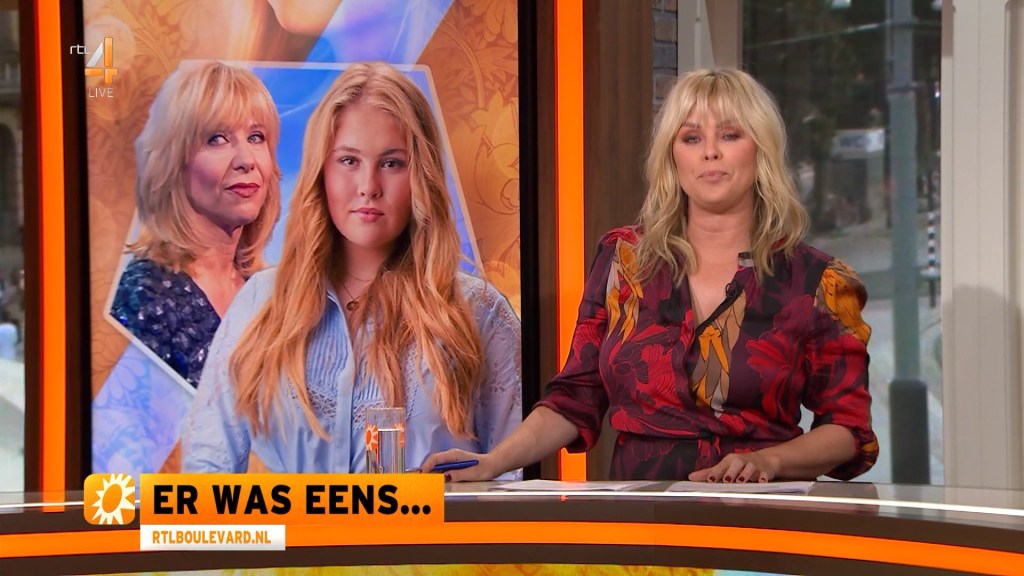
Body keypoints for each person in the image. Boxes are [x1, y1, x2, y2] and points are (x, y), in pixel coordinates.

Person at [424, 68, 878, 483]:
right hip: (640, 519)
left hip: (757, 518)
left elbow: (848, 429)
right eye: (692, 138)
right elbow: (577, 394)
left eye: (730, 135)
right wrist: (493, 462)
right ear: (672, 157)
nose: (711, 152)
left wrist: (770, 461)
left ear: (760, 150)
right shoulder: (624, 261)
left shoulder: (818, 282)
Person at [179, 62, 522, 474]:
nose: (368, 187)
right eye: (348, 160)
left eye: (392, 163)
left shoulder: (480, 313)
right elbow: (205, 474)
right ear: (321, 171)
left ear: (422, 175)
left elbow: (515, 482)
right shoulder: (258, 303)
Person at [109, 61, 282, 389]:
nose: (246, 160)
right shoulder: (147, 297)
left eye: (256, 137)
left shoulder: (270, 292)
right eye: (217, 139)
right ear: (173, 162)